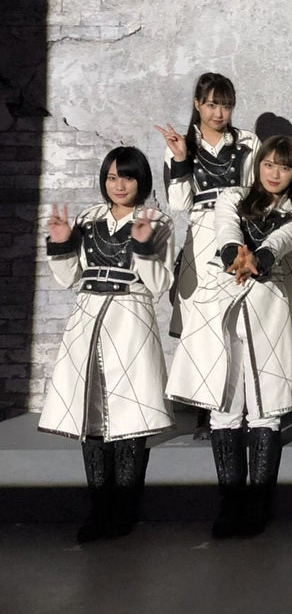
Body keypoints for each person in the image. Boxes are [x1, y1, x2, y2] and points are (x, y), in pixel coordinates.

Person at [166, 135, 292, 538]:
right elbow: (226, 229)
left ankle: (258, 505)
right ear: (258, 164)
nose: (275, 173)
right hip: (222, 306)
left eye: (284, 167)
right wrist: (236, 254)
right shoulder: (231, 196)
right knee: (224, 406)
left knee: (267, 409)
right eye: (268, 164)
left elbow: (281, 242)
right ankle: (230, 504)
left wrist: (257, 259)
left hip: (267, 309)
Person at [41, 147, 174, 542]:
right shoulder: (88, 219)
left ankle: (125, 510)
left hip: (130, 319)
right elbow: (68, 277)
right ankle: (99, 510)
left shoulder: (157, 220)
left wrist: (144, 245)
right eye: (112, 177)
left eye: (128, 177)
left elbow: (158, 283)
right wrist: (61, 243)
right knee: (92, 415)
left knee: (130, 416)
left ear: (141, 181)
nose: (119, 185)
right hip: (88, 320)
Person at [155, 72, 258, 440]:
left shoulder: (248, 141)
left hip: (239, 232)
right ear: (197, 104)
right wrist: (181, 158)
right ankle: (206, 409)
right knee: (203, 325)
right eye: (212, 104)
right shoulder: (181, 144)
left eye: (226, 105)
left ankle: (246, 406)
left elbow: (257, 192)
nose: (219, 113)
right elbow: (179, 203)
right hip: (200, 238)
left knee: (240, 322)